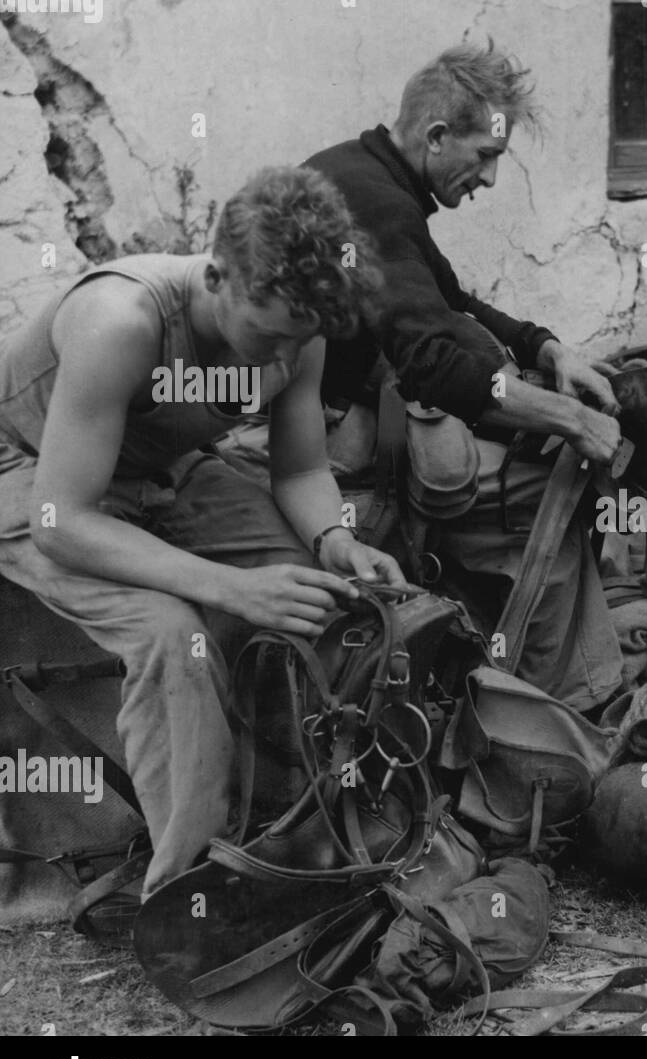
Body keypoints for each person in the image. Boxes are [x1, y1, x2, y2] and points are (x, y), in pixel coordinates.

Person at [0, 167, 407, 896]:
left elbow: (300, 471)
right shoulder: (122, 321)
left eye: (301, 339)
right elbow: (61, 522)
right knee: (170, 635)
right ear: (216, 276)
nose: (284, 358)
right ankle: (192, 894)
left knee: (324, 598)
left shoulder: (297, 329)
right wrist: (233, 587)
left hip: (157, 464)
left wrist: (334, 541)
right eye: (271, 333)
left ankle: (307, 824)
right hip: (31, 474)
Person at [219, 40, 625, 713]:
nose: (491, 179)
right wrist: (571, 419)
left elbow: (448, 298)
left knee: (515, 462)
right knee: (535, 488)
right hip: (291, 441)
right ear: (437, 136)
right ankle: (561, 705)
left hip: (325, 418)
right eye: (487, 156)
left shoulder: (368, 177)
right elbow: (433, 364)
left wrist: (544, 346)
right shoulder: (373, 202)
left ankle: (509, 681)